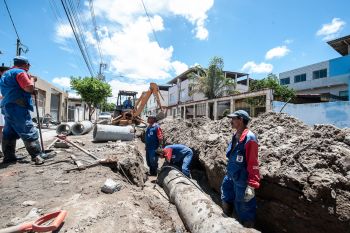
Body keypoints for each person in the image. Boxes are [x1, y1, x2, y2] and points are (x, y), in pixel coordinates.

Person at [0, 56, 47, 165]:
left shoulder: (5, 74)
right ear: (25, 64)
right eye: (28, 65)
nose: (29, 67)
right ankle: (37, 155)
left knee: (9, 132)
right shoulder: (20, 72)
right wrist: (32, 79)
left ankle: (9, 157)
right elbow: (29, 88)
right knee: (27, 129)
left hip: (7, 106)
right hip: (18, 106)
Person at [221, 110, 260, 228]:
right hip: (231, 174)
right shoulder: (235, 135)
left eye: (233, 119)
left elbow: (253, 162)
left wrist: (252, 184)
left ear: (241, 120)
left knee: (244, 205)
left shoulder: (250, 138)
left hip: (242, 178)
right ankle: (227, 221)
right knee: (226, 194)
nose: (231, 121)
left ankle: (247, 228)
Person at [0, 65, 9, 157]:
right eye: (6, 72)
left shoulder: (5, 82)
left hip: (3, 108)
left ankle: (2, 150)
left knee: (2, 129)